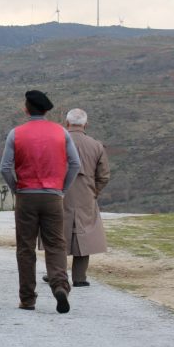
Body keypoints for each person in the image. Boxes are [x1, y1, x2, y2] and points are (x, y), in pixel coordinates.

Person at [0, 90, 80, 313]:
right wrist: (61, 188)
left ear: (27, 109)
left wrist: (16, 189)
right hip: (53, 196)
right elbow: (75, 164)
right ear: (46, 110)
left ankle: (27, 298)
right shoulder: (61, 132)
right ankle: (60, 286)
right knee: (55, 244)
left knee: (26, 248)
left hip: (26, 196)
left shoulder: (16, 133)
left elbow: (5, 167)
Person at [62, 108, 110, 287]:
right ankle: (79, 277)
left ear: (67, 123)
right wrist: (94, 191)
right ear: (85, 124)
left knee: (58, 233)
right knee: (84, 233)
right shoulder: (96, 145)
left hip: (60, 194)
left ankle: (57, 273)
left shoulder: (57, 140)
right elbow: (104, 176)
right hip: (86, 195)